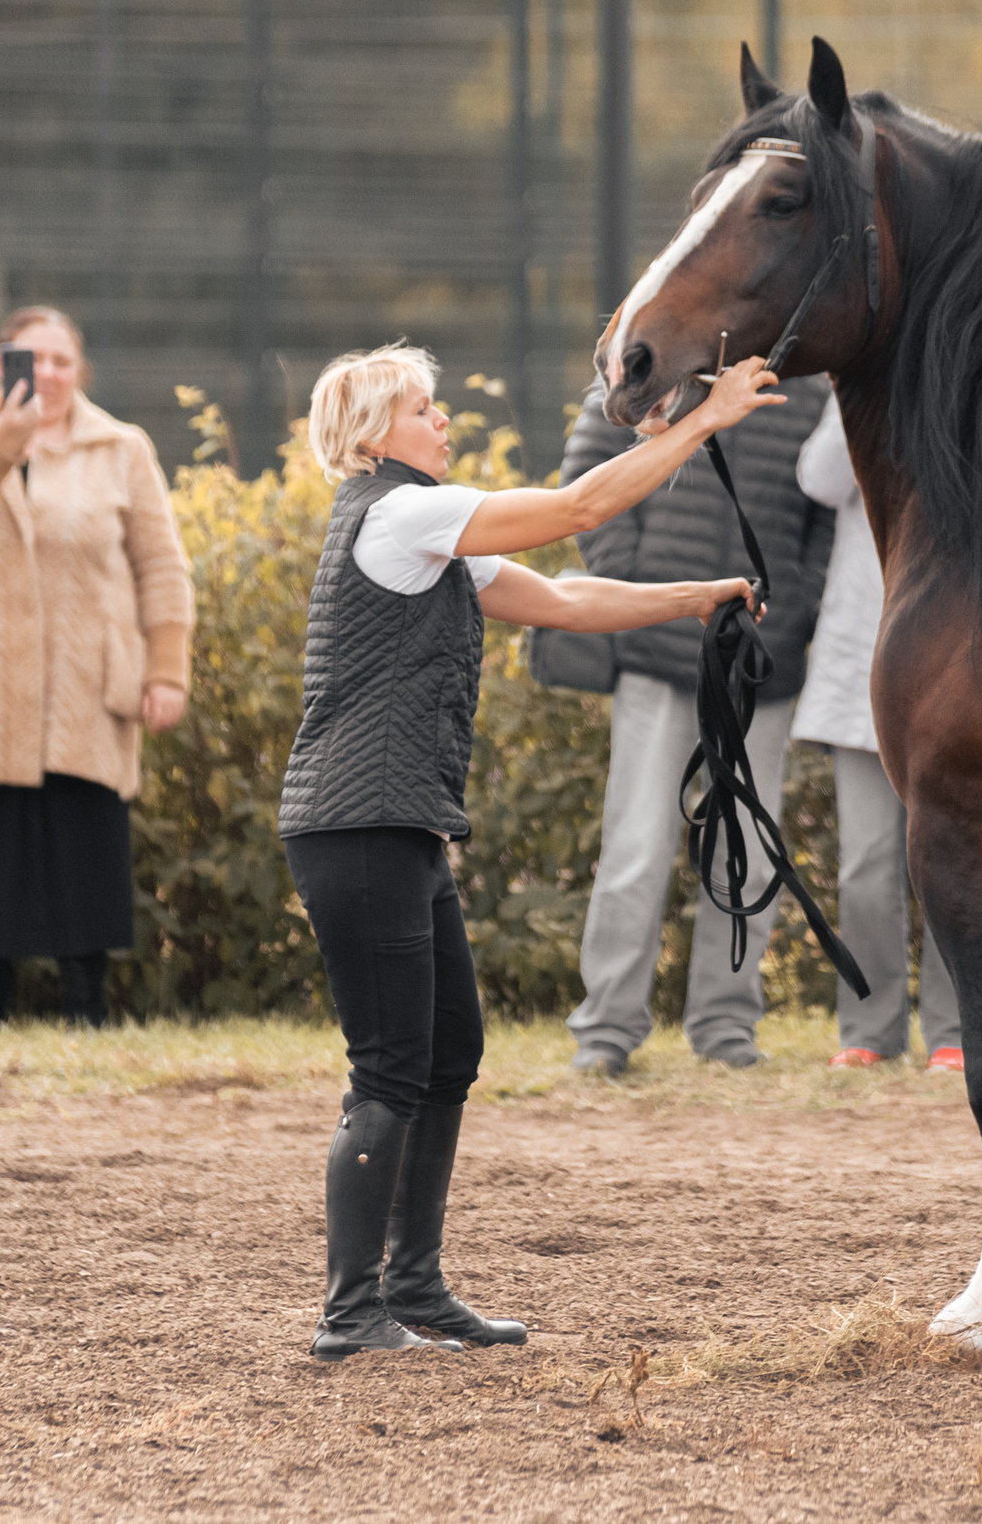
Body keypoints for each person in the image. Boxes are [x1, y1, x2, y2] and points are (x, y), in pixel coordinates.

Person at [280, 341, 778, 1360]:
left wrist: (696, 597)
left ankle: (412, 1287)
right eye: (425, 410)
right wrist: (706, 418)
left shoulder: (426, 536)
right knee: (387, 1069)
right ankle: (349, 1311)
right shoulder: (401, 511)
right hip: (358, 826)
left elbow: (566, 597)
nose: (442, 422)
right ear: (376, 434)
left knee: (447, 1052)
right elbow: (579, 508)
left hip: (393, 826)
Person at [0, 306, 192, 1036]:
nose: (52, 373)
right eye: (34, 358)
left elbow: (160, 564)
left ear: (81, 368)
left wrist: (167, 669)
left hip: (84, 677)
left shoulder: (121, 446)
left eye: (64, 359)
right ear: (2, 366)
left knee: (85, 831)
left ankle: (86, 1005)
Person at [559, 372, 834, 1077]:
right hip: (655, 656)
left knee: (748, 850)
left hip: (757, 666)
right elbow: (587, 473)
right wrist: (637, 590)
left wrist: (792, 606)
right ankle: (607, 1029)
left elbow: (828, 516)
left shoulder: (806, 390)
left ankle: (724, 1024)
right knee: (637, 847)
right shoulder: (652, 363)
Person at [791, 390, 963, 1072]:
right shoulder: (860, 398)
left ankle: (955, 1031)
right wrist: (853, 397)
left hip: (953, 666)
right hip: (862, 668)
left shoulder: (964, 387)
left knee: (954, 861)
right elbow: (819, 477)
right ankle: (870, 1027)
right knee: (865, 866)